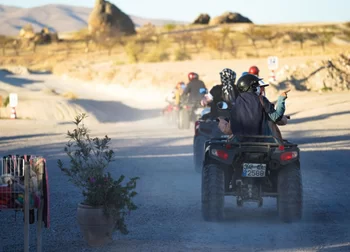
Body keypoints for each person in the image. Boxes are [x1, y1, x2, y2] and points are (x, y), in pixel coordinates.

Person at [218, 72, 289, 140]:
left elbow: (230, 128)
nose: (259, 87)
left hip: (240, 142)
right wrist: (281, 99)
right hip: (263, 142)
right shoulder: (261, 100)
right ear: (252, 87)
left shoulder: (237, 102)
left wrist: (221, 121)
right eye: (257, 85)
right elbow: (276, 117)